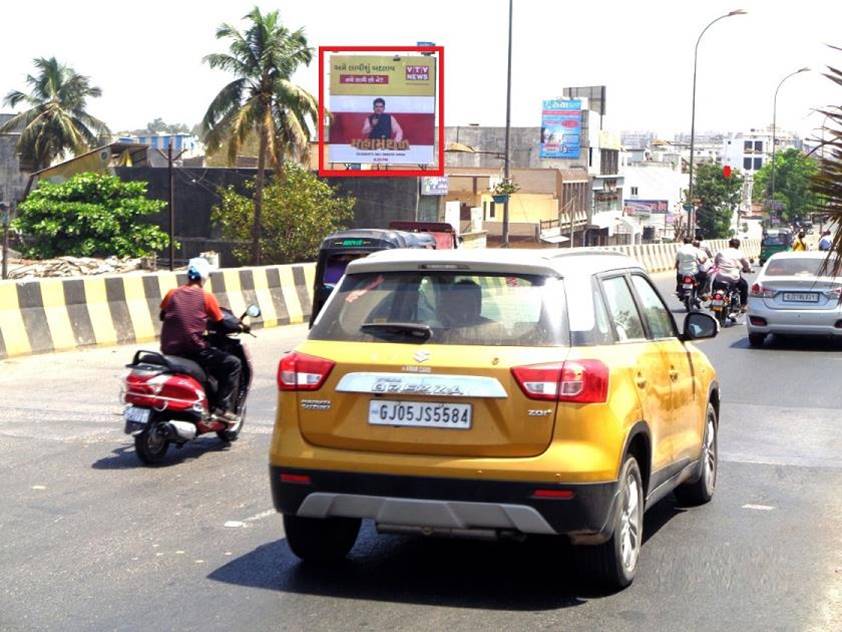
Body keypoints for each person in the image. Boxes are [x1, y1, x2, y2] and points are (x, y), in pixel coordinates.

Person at [159, 258, 242, 421]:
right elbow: (221, 323)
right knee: (233, 363)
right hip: (193, 350)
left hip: (169, 349)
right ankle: (222, 409)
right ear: (204, 276)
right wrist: (238, 326)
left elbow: (162, 315)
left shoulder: (172, 293)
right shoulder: (206, 297)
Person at [713, 238, 752, 312]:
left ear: (729, 244)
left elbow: (716, 262)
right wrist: (748, 269)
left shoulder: (721, 252)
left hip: (720, 276)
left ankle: (713, 297)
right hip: (733, 277)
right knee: (744, 285)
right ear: (738, 246)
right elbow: (746, 265)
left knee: (715, 282)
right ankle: (743, 305)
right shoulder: (739, 253)